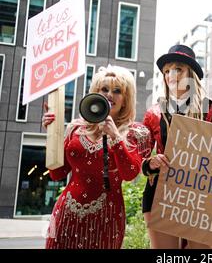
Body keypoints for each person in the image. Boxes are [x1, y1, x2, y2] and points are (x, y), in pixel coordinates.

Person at [42, 65, 151, 249]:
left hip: (106, 220)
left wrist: (115, 135)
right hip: (66, 216)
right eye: (104, 89)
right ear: (95, 93)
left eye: (117, 91)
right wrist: (52, 134)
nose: (109, 95)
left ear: (126, 100)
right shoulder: (75, 129)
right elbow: (56, 174)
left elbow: (130, 174)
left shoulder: (136, 133)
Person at [141, 44, 212, 249]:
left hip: (201, 195)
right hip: (160, 193)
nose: (172, 75)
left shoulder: (211, 110)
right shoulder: (153, 113)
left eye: (178, 69)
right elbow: (140, 159)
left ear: (190, 74)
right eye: (167, 71)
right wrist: (151, 162)